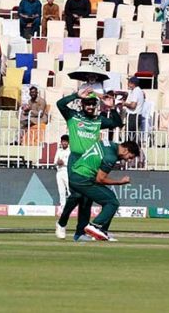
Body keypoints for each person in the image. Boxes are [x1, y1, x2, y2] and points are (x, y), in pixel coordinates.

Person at [55, 88, 123, 242]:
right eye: (88, 103)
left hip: (90, 162)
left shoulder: (98, 120)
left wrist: (112, 108)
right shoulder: (73, 116)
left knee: (86, 198)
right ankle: (62, 222)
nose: (91, 106)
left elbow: (117, 123)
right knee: (78, 194)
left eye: (93, 104)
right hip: (76, 160)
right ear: (82, 104)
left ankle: (80, 233)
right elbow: (60, 105)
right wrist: (75, 95)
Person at [69, 140, 139, 241]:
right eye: (130, 157)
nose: (128, 160)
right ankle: (94, 226)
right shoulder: (111, 157)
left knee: (110, 198)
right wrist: (120, 182)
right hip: (82, 178)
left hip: (76, 173)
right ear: (125, 150)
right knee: (112, 202)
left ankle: (101, 230)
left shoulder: (109, 144)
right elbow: (100, 179)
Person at [124, 76, 145, 143]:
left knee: (131, 136)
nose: (128, 84)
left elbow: (133, 105)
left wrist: (124, 104)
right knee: (132, 136)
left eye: (129, 82)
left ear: (132, 83)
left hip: (134, 116)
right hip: (134, 116)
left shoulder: (136, 91)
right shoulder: (136, 91)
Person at [54, 135, 71, 209]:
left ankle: (71, 206)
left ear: (68, 142)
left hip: (67, 171)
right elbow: (54, 161)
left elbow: (71, 162)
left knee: (69, 189)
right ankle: (62, 206)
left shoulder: (70, 150)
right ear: (61, 142)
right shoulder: (59, 150)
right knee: (61, 190)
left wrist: (63, 162)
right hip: (59, 171)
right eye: (63, 141)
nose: (64, 143)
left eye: (65, 142)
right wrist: (58, 162)